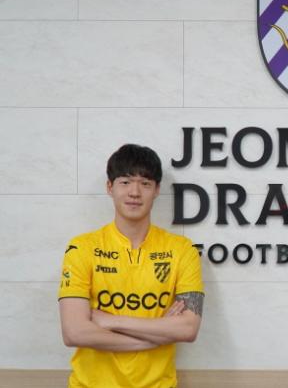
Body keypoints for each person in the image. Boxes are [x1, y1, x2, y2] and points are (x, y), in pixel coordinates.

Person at [58, 144, 204, 388]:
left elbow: (188, 329)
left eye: (145, 183)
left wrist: (111, 321)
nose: (134, 192)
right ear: (110, 187)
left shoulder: (182, 249)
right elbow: (74, 332)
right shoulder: (82, 248)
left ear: (156, 190)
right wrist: (156, 337)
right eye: (125, 182)